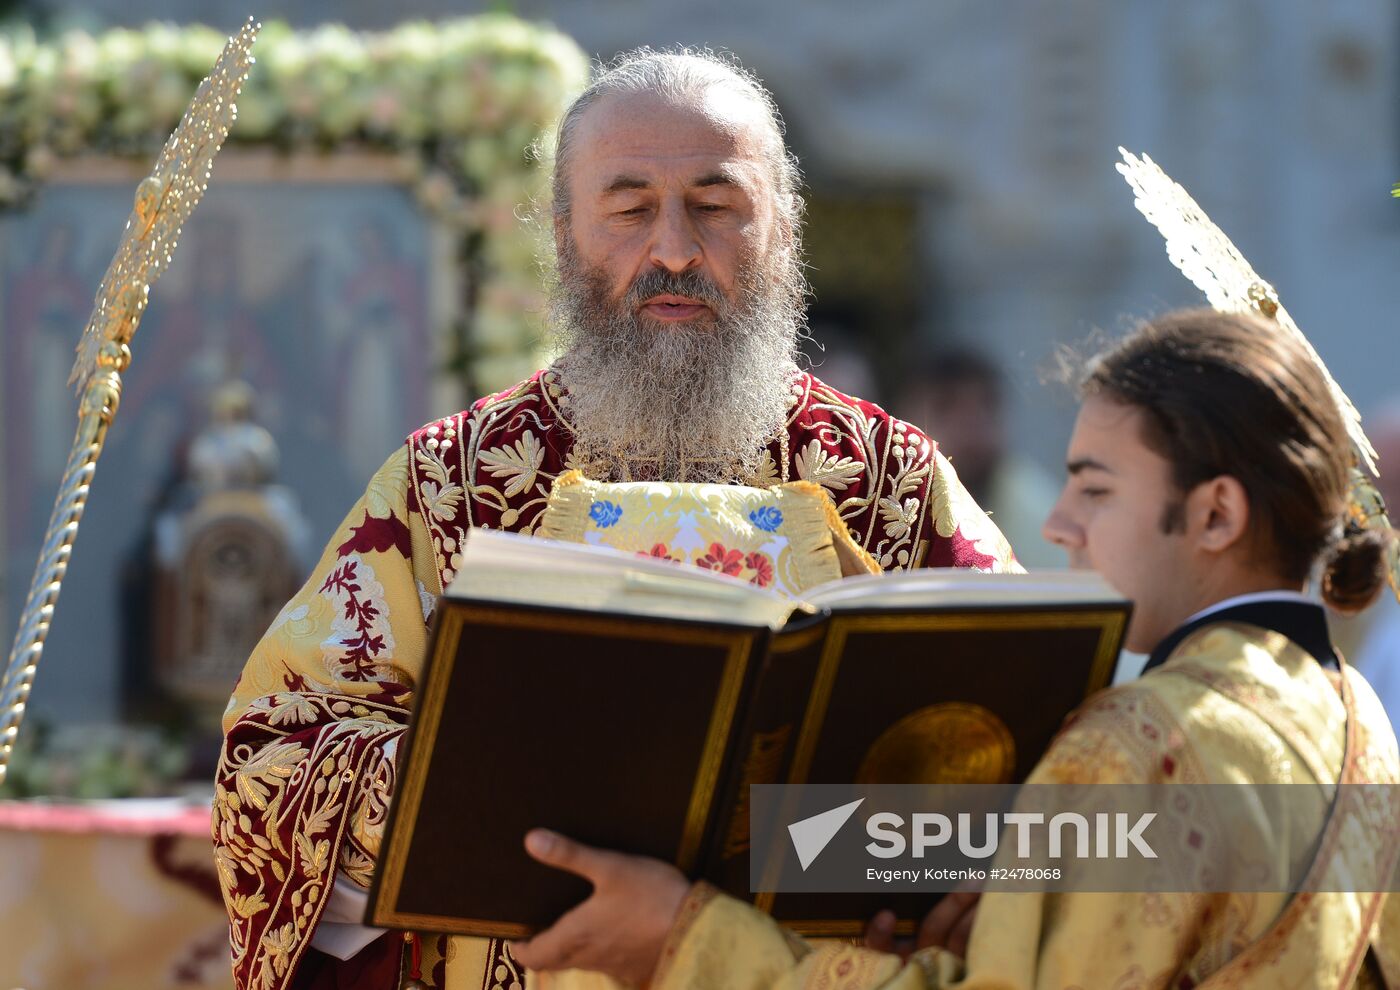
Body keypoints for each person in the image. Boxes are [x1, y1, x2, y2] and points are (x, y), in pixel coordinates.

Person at [213, 49, 1016, 990]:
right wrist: (499, 791)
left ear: (785, 230)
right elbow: (273, 766)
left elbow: (1021, 756)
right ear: (563, 234)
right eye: (630, 208)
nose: (673, 249)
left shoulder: (890, 481)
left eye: (716, 207)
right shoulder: (450, 484)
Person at [510, 308, 1400, 989]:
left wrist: (684, 938)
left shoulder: (1138, 747)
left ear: (1215, 513)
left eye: (1094, 491)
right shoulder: (1358, 714)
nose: (1059, 524)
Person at [898, 346, 1062, 569]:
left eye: (987, 405)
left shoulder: (1044, 519)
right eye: (945, 406)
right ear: (900, 420)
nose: (971, 423)